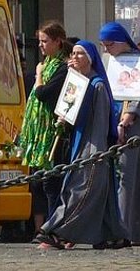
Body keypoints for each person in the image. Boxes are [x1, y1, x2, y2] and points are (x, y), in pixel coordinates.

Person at [36, 41, 125, 250]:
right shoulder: (77, 82)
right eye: (73, 53)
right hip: (78, 140)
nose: (74, 57)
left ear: (90, 58)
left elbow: (100, 122)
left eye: (80, 54)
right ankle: (109, 233)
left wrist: (94, 151)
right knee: (91, 190)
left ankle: (57, 230)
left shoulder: (98, 85)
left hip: (91, 145)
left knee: (80, 188)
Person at [18, 21, 70, 237]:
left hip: (51, 131)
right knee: (38, 182)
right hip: (37, 132)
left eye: (44, 41)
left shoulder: (61, 67)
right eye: (39, 41)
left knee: (51, 182)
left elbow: (43, 93)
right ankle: (40, 227)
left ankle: (53, 224)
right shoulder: (47, 63)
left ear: (58, 42)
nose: (41, 45)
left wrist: (39, 74)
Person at [99, 21, 140, 247]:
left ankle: (128, 229)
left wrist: (128, 117)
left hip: (131, 125)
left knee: (129, 178)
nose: (106, 48)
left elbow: (138, 92)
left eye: (109, 44)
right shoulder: (111, 62)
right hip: (112, 121)